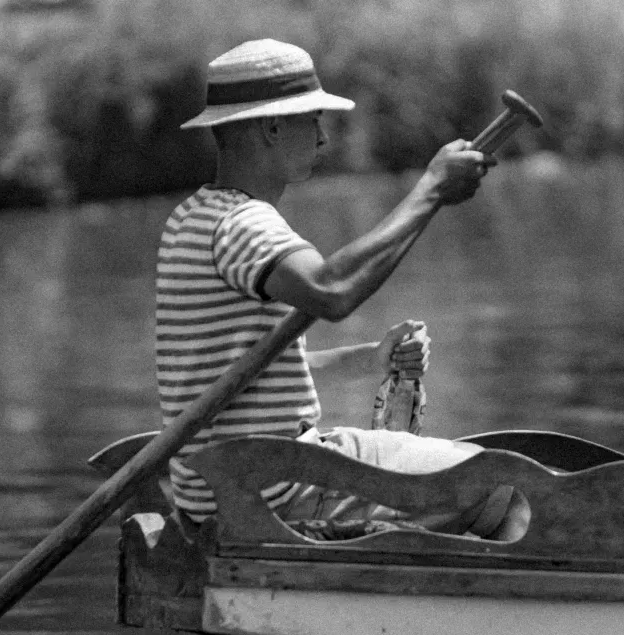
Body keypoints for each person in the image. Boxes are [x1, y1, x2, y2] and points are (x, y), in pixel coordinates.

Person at [157, 38, 523, 539]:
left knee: (482, 474)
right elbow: (332, 291)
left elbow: (253, 373)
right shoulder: (243, 223)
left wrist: (369, 358)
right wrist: (431, 190)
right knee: (501, 485)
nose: (324, 138)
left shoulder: (191, 218)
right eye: (313, 120)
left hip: (237, 481)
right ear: (272, 127)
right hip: (271, 488)